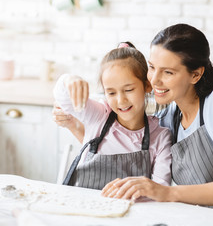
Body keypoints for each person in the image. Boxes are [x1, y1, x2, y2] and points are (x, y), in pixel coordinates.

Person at [53, 24, 213, 218]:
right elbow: (120, 143)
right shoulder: (168, 116)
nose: (154, 80)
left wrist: (167, 193)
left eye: (168, 72)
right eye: (152, 68)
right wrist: (76, 124)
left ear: (195, 74)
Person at [53, 42, 172, 190]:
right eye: (111, 93)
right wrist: (69, 79)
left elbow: (161, 188)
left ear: (147, 85)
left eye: (128, 90)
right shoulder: (99, 115)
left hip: (133, 210)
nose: (121, 100)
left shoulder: (160, 136)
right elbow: (64, 98)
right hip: (83, 207)